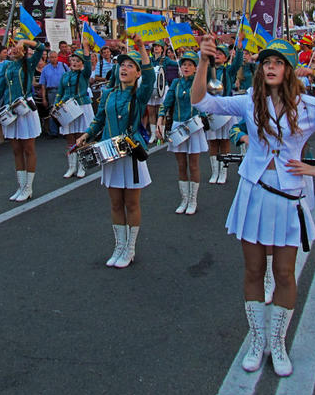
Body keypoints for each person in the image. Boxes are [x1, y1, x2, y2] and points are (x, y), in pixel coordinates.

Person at [190, 37, 315, 377]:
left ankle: (278, 343)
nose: (270, 67)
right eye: (266, 62)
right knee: (253, 271)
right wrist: (204, 62)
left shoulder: (308, 107)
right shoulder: (248, 103)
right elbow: (202, 102)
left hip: (289, 197)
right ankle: (257, 339)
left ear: (289, 69)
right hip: (253, 194)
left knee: (283, 273)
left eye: (278, 62)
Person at [75, 36, 153, 269]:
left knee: (131, 203)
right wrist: (86, 135)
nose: (124, 68)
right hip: (109, 152)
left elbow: (150, 78)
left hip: (130, 153)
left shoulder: (138, 95)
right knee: (115, 204)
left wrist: (140, 47)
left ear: (137, 73)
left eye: (130, 66)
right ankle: (118, 246)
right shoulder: (108, 94)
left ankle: (130, 247)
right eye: (122, 65)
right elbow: (98, 120)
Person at [0, 39, 45, 202]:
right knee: (16, 150)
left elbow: (40, 48)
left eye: (17, 47)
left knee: (28, 148)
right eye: (11, 46)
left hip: (25, 108)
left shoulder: (29, 63)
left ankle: (28, 187)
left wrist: (24, 41)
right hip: (10, 110)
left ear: (24, 50)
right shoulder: (6, 66)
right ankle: (20, 186)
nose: (13, 49)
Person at [156, 50, 206, 215]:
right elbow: (166, 103)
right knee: (181, 165)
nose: (186, 67)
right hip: (178, 125)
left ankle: (193, 200)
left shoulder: (199, 83)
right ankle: (184, 199)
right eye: (184, 64)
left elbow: (205, 103)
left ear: (195, 68)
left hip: (194, 126)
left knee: (193, 165)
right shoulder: (176, 83)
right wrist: (160, 120)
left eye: (190, 64)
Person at [204, 42, 244, 184]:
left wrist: (239, 48)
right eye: (215, 53)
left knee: (225, 141)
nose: (217, 55)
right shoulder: (209, 70)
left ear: (226, 58)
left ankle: (223, 171)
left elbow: (238, 62)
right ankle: (214, 172)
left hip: (225, 109)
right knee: (213, 142)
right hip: (211, 108)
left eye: (220, 54)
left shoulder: (228, 71)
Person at [56, 42, 94, 178]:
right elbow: (60, 92)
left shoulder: (84, 74)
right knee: (69, 138)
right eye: (72, 60)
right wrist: (56, 105)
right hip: (67, 108)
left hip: (82, 106)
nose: (74, 63)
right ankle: (72, 167)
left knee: (80, 137)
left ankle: (82, 166)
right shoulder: (65, 76)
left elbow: (88, 66)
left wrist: (86, 50)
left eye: (77, 61)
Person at [39, 49, 67, 138]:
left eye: (55, 57)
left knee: (64, 111)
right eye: (52, 57)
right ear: (49, 58)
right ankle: (53, 132)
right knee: (52, 111)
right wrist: (44, 98)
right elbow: (43, 84)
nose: (54, 59)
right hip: (51, 91)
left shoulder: (64, 66)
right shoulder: (45, 69)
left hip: (63, 91)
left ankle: (65, 131)